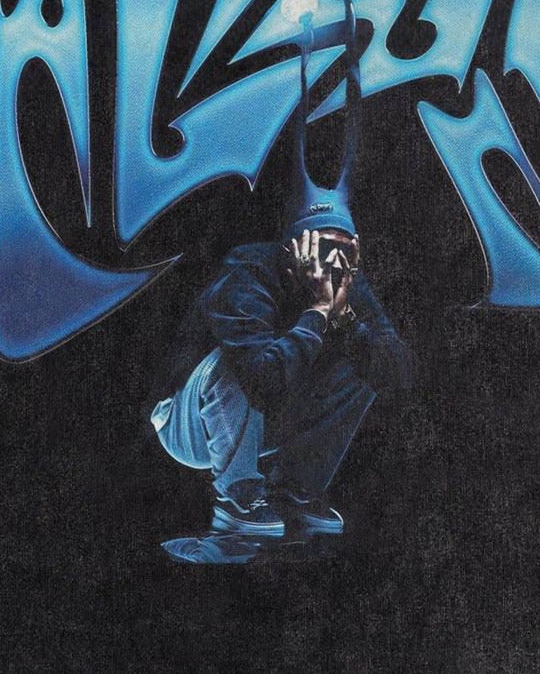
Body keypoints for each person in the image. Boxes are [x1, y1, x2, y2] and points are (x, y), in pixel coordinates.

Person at [152, 216, 410, 562]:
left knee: (366, 357)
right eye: (323, 246)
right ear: (292, 247)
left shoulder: (348, 279)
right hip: (191, 426)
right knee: (234, 363)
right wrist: (318, 310)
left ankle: (295, 492)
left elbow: (399, 374)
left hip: (266, 420)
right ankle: (238, 498)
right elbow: (260, 381)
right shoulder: (248, 268)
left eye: (344, 249)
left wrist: (346, 317)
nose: (333, 261)